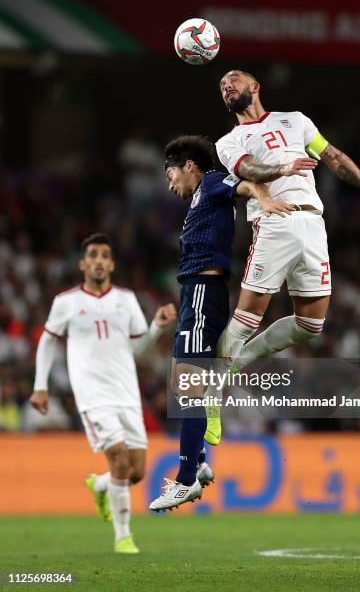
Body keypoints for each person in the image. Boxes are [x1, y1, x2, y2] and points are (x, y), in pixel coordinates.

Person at [148, 135, 315, 512]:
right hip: (194, 293)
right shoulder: (196, 198)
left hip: (205, 292)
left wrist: (265, 199)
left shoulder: (209, 182)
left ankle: (186, 479)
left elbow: (243, 183)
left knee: (189, 385)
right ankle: (198, 457)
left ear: (188, 165)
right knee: (182, 381)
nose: (169, 183)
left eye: (170, 174)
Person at [215, 69, 360, 366]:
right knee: (247, 320)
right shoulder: (229, 141)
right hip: (275, 220)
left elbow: (333, 157)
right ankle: (211, 390)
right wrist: (282, 169)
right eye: (222, 86)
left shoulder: (296, 120)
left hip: (313, 223)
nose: (226, 86)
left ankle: (235, 364)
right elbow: (248, 171)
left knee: (310, 324)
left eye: (233, 80)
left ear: (255, 86)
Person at [30, 233, 176, 554]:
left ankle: (98, 484)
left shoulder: (126, 299)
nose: (98, 260)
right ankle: (123, 537)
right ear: (83, 263)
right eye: (92, 255)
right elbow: (48, 341)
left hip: (126, 391)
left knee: (135, 470)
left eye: (104, 255)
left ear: (111, 263)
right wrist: (40, 385)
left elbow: (139, 350)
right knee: (120, 459)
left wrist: (157, 327)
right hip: (92, 394)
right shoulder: (66, 302)